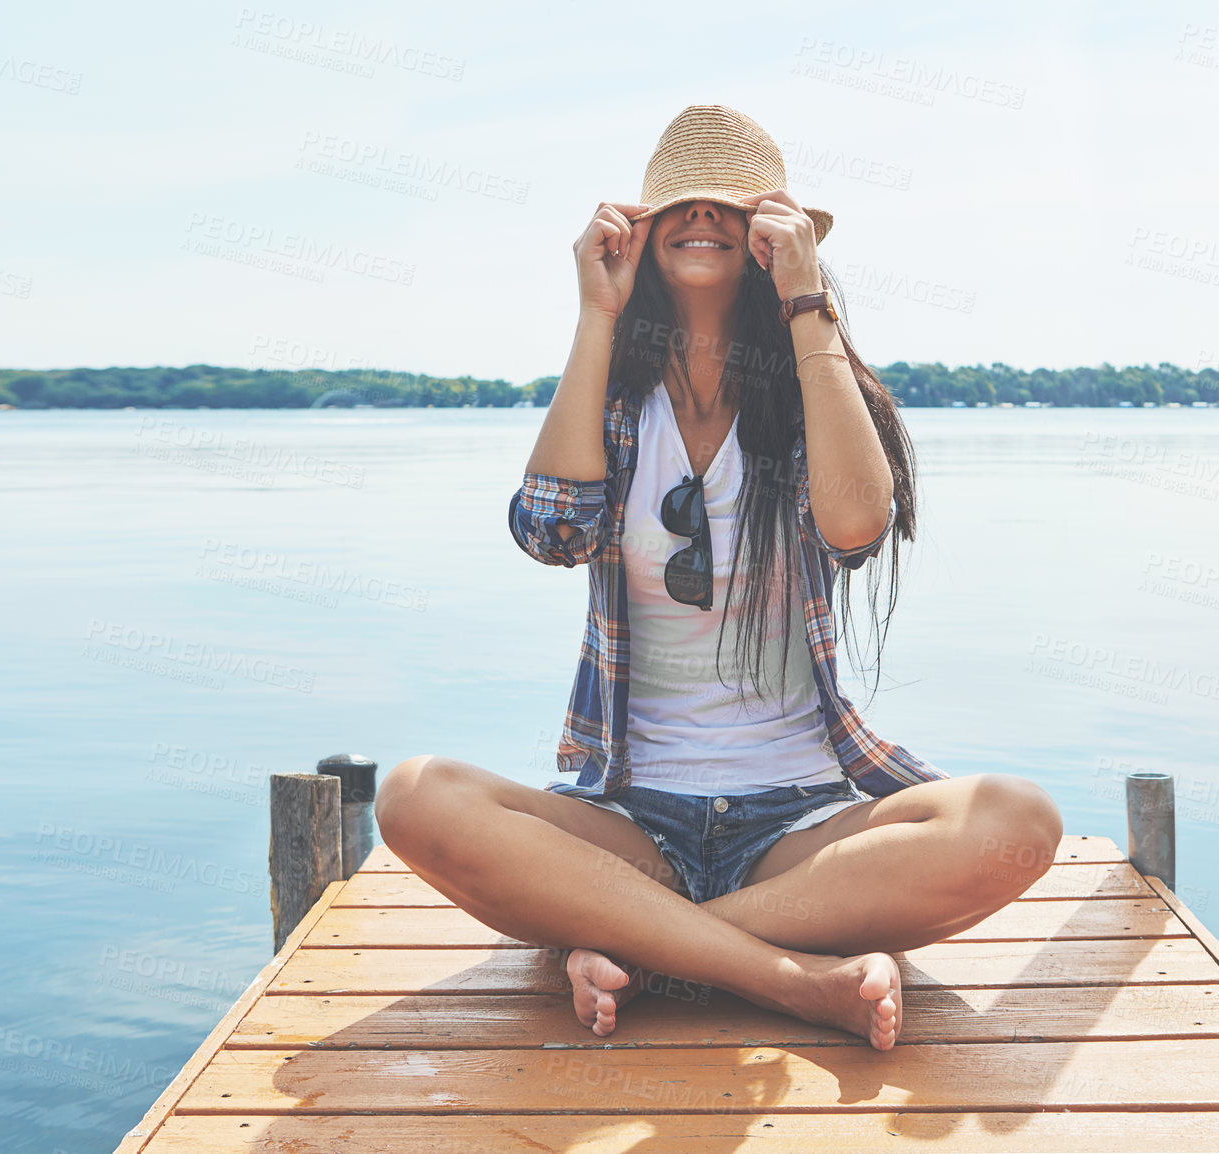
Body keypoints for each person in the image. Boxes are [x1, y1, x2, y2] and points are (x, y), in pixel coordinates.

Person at [376, 105, 1062, 1051]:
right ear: (647, 232)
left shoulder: (808, 388)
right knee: (414, 794)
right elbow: (550, 531)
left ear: (773, 235)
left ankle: (644, 946)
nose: (703, 219)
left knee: (1014, 820)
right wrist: (594, 313)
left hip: (802, 827)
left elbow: (856, 525)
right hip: (628, 823)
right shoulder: (618, 398)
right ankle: (786, 977)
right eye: (680, 204)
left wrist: (804, 303)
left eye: (730, 206)